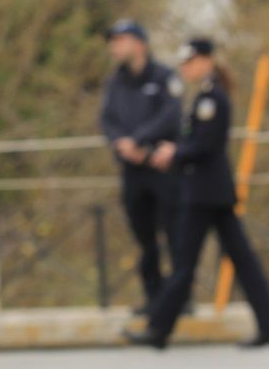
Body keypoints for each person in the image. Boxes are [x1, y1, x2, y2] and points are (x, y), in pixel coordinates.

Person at [124, 39, 269, 350]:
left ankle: (158, 328)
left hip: (205, 193)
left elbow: (206, 145)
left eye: (190, 62)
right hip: (210, 193)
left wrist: (174, 153)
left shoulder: (212, 98)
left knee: (185, 262)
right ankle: (268, 324)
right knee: (240, 259)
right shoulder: (204, 96)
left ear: (206, 61)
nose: (186, 68)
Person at [98, 18, 182, 315]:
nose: (116, 46)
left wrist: (140, 140)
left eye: (122, 39)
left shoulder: (163, 76)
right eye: (114, 41)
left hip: (161, 166)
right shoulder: (115, 82)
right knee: (144, 237)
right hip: (132, 169)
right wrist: (122, 144)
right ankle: (154, 298)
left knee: (175, 234)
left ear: (140, 43)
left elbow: (171, 115)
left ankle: (178, 299)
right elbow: (107, 120)